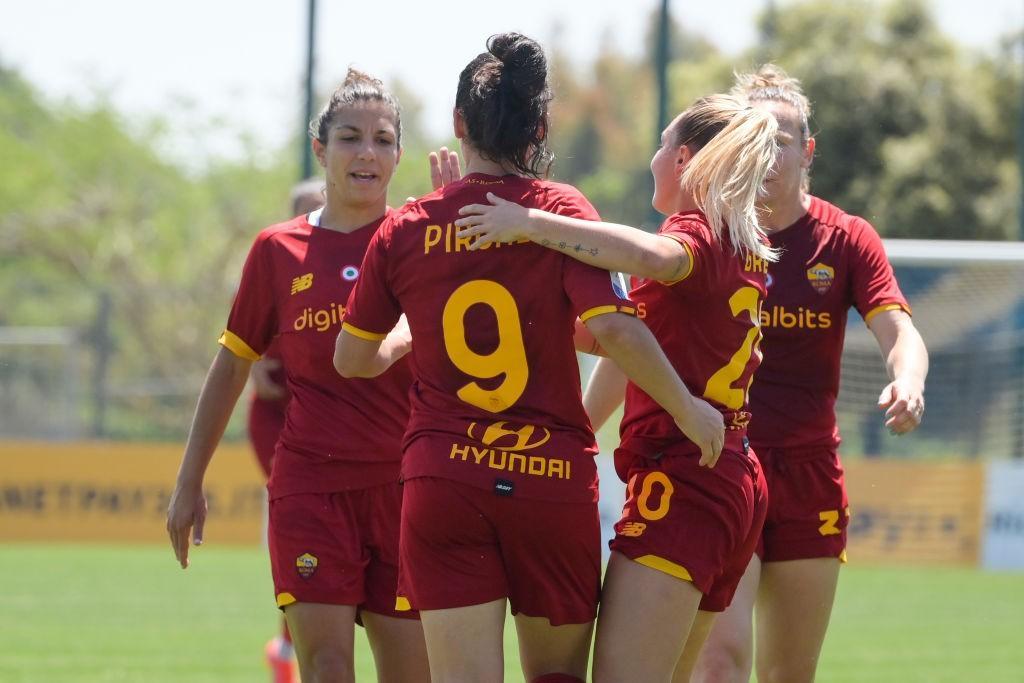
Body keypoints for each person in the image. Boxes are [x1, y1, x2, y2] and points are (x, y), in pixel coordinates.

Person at [334, 32, 726, 683]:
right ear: (539, 125)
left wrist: (415, 328)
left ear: (459, 123)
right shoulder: (561, 211)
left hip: (444, 480)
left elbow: (351, 358)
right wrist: (687, 407)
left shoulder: (405, 228)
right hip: (550, 481)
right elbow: (618, 334)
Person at [454, 93, 780, 681]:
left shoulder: (697, 233)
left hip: (686, 480)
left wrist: (529, 222)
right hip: (727, 474)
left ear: (682, 159)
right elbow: (621, 342)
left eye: (660, 146)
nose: (652, 159)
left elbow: (657, 257)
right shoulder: (741, 245)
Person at [166, 68, 431, 683]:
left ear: (398, 154)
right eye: (349, 137)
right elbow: (233, 363)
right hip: (310, 489)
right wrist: (188, 481)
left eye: (383, 138)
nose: (367, 152)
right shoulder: (276, 250)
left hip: (405, 490)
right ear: (321, 149)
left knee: (411, 673)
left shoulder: (419, 242)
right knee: (328, 667)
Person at [683, 64, 930, 683]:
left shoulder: (846, 240)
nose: (768, 155)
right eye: (753, 140)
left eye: (782, 140)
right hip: (724, 463)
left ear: (807, 150)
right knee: (721, 659)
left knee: (789, 672)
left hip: (809, 474)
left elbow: (898, 329)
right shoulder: (706, 235)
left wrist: (909, 380)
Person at [247, 177, 324, 683]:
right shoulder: (275, 259)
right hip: (280, 419)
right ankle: (293, 645)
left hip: (335, 423)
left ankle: (288, 644)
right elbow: (241, 342)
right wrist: (252, 362)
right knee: (304, 524)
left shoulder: (365, 259)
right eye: (303, 208)